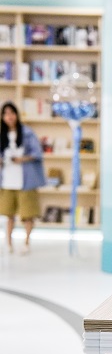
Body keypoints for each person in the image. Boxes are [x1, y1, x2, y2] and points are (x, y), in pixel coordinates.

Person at [0, 102, 45, 254]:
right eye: (6, 114)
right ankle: (8, 244)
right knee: (8, 215)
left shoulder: (27, 132)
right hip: (7, 180)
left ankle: (26, 243)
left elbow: (37, 153)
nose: (9, 117)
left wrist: (22, 159)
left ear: (16, 115)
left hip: (26, 180)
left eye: (12, 113)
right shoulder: (2, 134)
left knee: (28, 214)